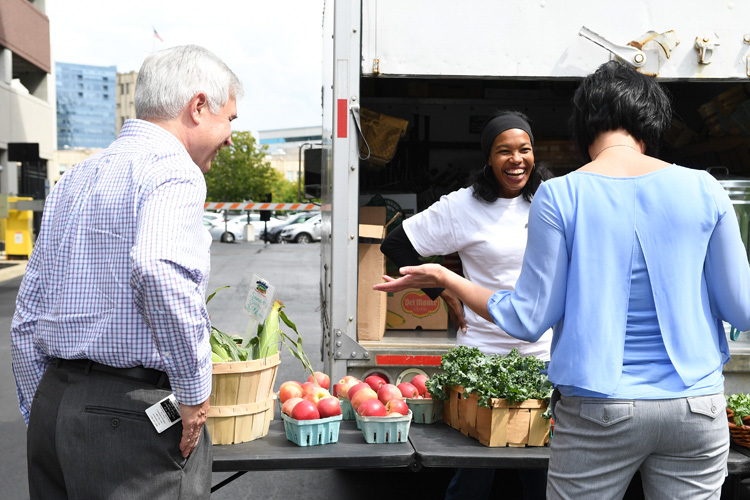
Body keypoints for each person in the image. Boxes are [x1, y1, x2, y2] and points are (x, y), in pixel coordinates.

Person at [374, 60, 750, 500]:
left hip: (599, 407)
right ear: (649, 122)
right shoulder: (705, 189)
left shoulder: (560, 194)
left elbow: (528, 318)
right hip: (696, 406)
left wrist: (445, 278)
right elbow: (741, 309)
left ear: (585, 123)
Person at [11, 44, 242, 499]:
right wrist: (194, 394)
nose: (231, 136)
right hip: (131, 415)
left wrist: (44, 406)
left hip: (56, 405)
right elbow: (158, 269)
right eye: (229, 119)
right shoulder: (174, 171)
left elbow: (27, 315)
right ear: (198, 107)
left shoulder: (74, 179)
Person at [380, 110, 552, 500]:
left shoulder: (551, 199)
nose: (516, 159)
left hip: (542, 355)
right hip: (483, 358)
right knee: (475, 474)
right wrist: (444, 291)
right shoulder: (465, 206)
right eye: (503, 151)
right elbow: (396, 244)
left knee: (541, 475)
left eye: (524, 149)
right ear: (488, 159)